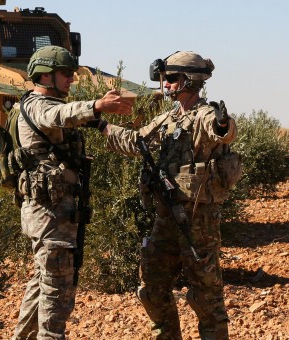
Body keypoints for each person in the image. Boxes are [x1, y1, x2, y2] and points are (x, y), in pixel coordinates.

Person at [101, 51, 239, 340]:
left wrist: (224, 124)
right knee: (151, 285)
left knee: (205, 295)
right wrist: (101, 126)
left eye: (172, 78)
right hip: (167, 218)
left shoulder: (204, 115)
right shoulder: (168, 119)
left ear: (189, 80)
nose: (166, 84)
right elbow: (136, 142)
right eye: (165, 78)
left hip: (197, 221)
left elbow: (222, 131)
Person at [12, 45, 132, 339]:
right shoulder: (38, 106)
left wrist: (100, 121)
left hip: (52, 214)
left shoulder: (41, 103)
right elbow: (61, 115)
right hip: (49, 216)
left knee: (44, 281)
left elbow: (67, 115)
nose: (71, 79)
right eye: (66, 74)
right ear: (45, 75)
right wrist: (96, 106)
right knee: (57, 288)